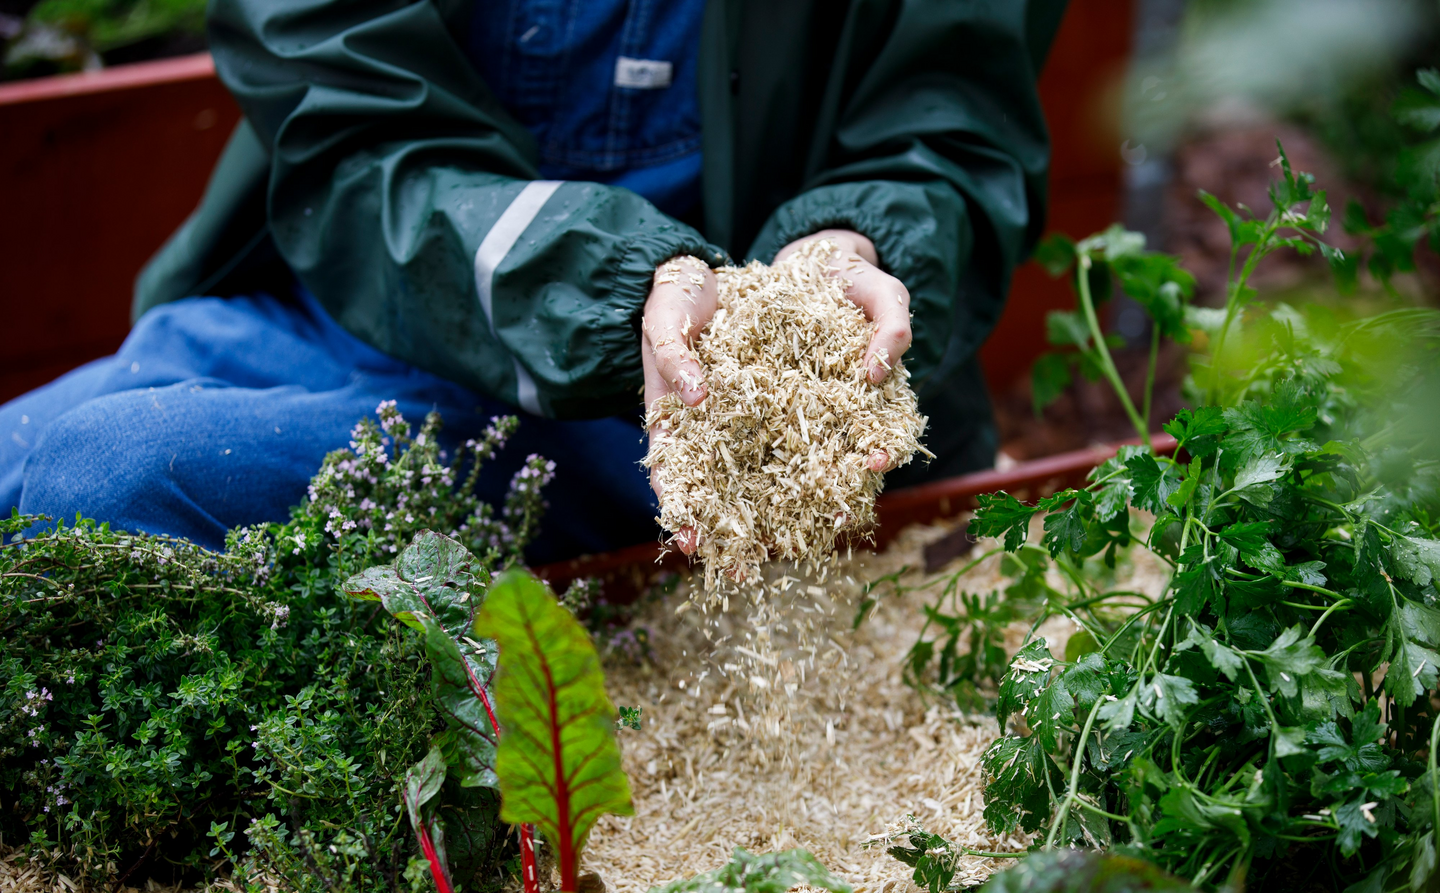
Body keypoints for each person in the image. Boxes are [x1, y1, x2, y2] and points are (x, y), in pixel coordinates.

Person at [0, 0, 1064, 564]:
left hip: (682, 408)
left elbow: (953, 124)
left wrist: (842, 254)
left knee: (95, 485)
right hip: (367, 300)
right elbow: (345, 123)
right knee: (22, 470)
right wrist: (622, 280)